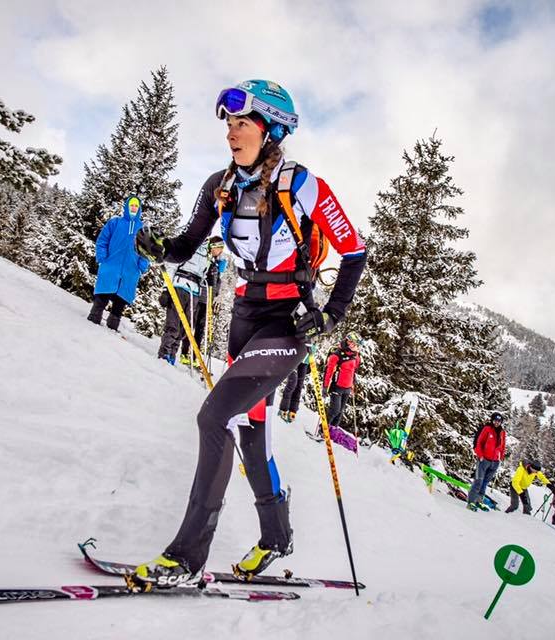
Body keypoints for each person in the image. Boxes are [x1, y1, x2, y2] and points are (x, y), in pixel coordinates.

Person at [130, 79, 366, 589]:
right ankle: (276, 538)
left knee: (215, 415)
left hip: (286, 323)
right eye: (229, 125)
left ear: (271, 130)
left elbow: (355, 249)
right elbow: (189, 240)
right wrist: (160, 247)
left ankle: (186, 557)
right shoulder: (219, 184)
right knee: (251, 435)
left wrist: (332, 313)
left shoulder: (302, 185)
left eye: (242, 124)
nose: (231, 134)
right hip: (243, 318)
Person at [87, 196, 149, 331]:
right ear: (127, 206)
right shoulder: (115, 223)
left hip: (130, 270)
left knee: (120, 301)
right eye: (131, 205)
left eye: (136, 206)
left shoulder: (142, 229)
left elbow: (146, 251)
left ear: (139, 209)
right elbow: (103, 240)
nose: (133, 208)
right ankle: (94, 318)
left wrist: (143, 264)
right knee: (103, 294)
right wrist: (102, 255)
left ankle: (112, 326)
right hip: (111, 264)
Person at [157, 238, 210, 363]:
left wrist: (210, 278)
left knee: (185, 327)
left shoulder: (207, 251)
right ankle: (164, 353)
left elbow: (204, 273)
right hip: (180, 286)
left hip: (195, 291)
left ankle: (172, 354)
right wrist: (166, 289)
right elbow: (171, 266)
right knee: (173, 324)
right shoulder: (188, 243)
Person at [179, 237, 227, 364]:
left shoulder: (219, 263)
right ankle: (184, 351)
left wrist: (216, 297)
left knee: (201, 327)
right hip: (198, 295)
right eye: (218, 248)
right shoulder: (205, 257)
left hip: (208, 299)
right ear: (212, 247)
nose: (220, 251)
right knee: (192, 324)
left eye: (221, 249)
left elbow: (218, 282)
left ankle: (195, 355)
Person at [466, 412, 506, 511]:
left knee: (485, 483)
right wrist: (480, 455)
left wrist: (501, 458)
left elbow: (503, 446)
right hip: (484, 460)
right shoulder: (487, 429)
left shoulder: (502, 432)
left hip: (495, 462)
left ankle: (479, 501)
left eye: (499, 421)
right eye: (495, 420)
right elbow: (479, 442)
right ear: (492, 420)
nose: (497, 423)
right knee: (478, 481)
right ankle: (471, 502)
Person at [323, 331, 361, 433]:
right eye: (354, 344)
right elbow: (328, 371)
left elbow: (353, 370)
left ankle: (333, 432)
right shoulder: (337, 354)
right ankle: (323, 431)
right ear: (348, 341)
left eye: (357, 345)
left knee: (340, 412)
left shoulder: (355, 355)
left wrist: (353, 385)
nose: (356, 346)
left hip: (347, 388)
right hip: (337, 386)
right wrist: (325, 386)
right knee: (334, 410)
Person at [277, 354, 309, 422]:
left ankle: (292, 410)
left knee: (299, 386)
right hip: (296, 356)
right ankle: (283, 409)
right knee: (292, 383)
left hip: (305, 361)